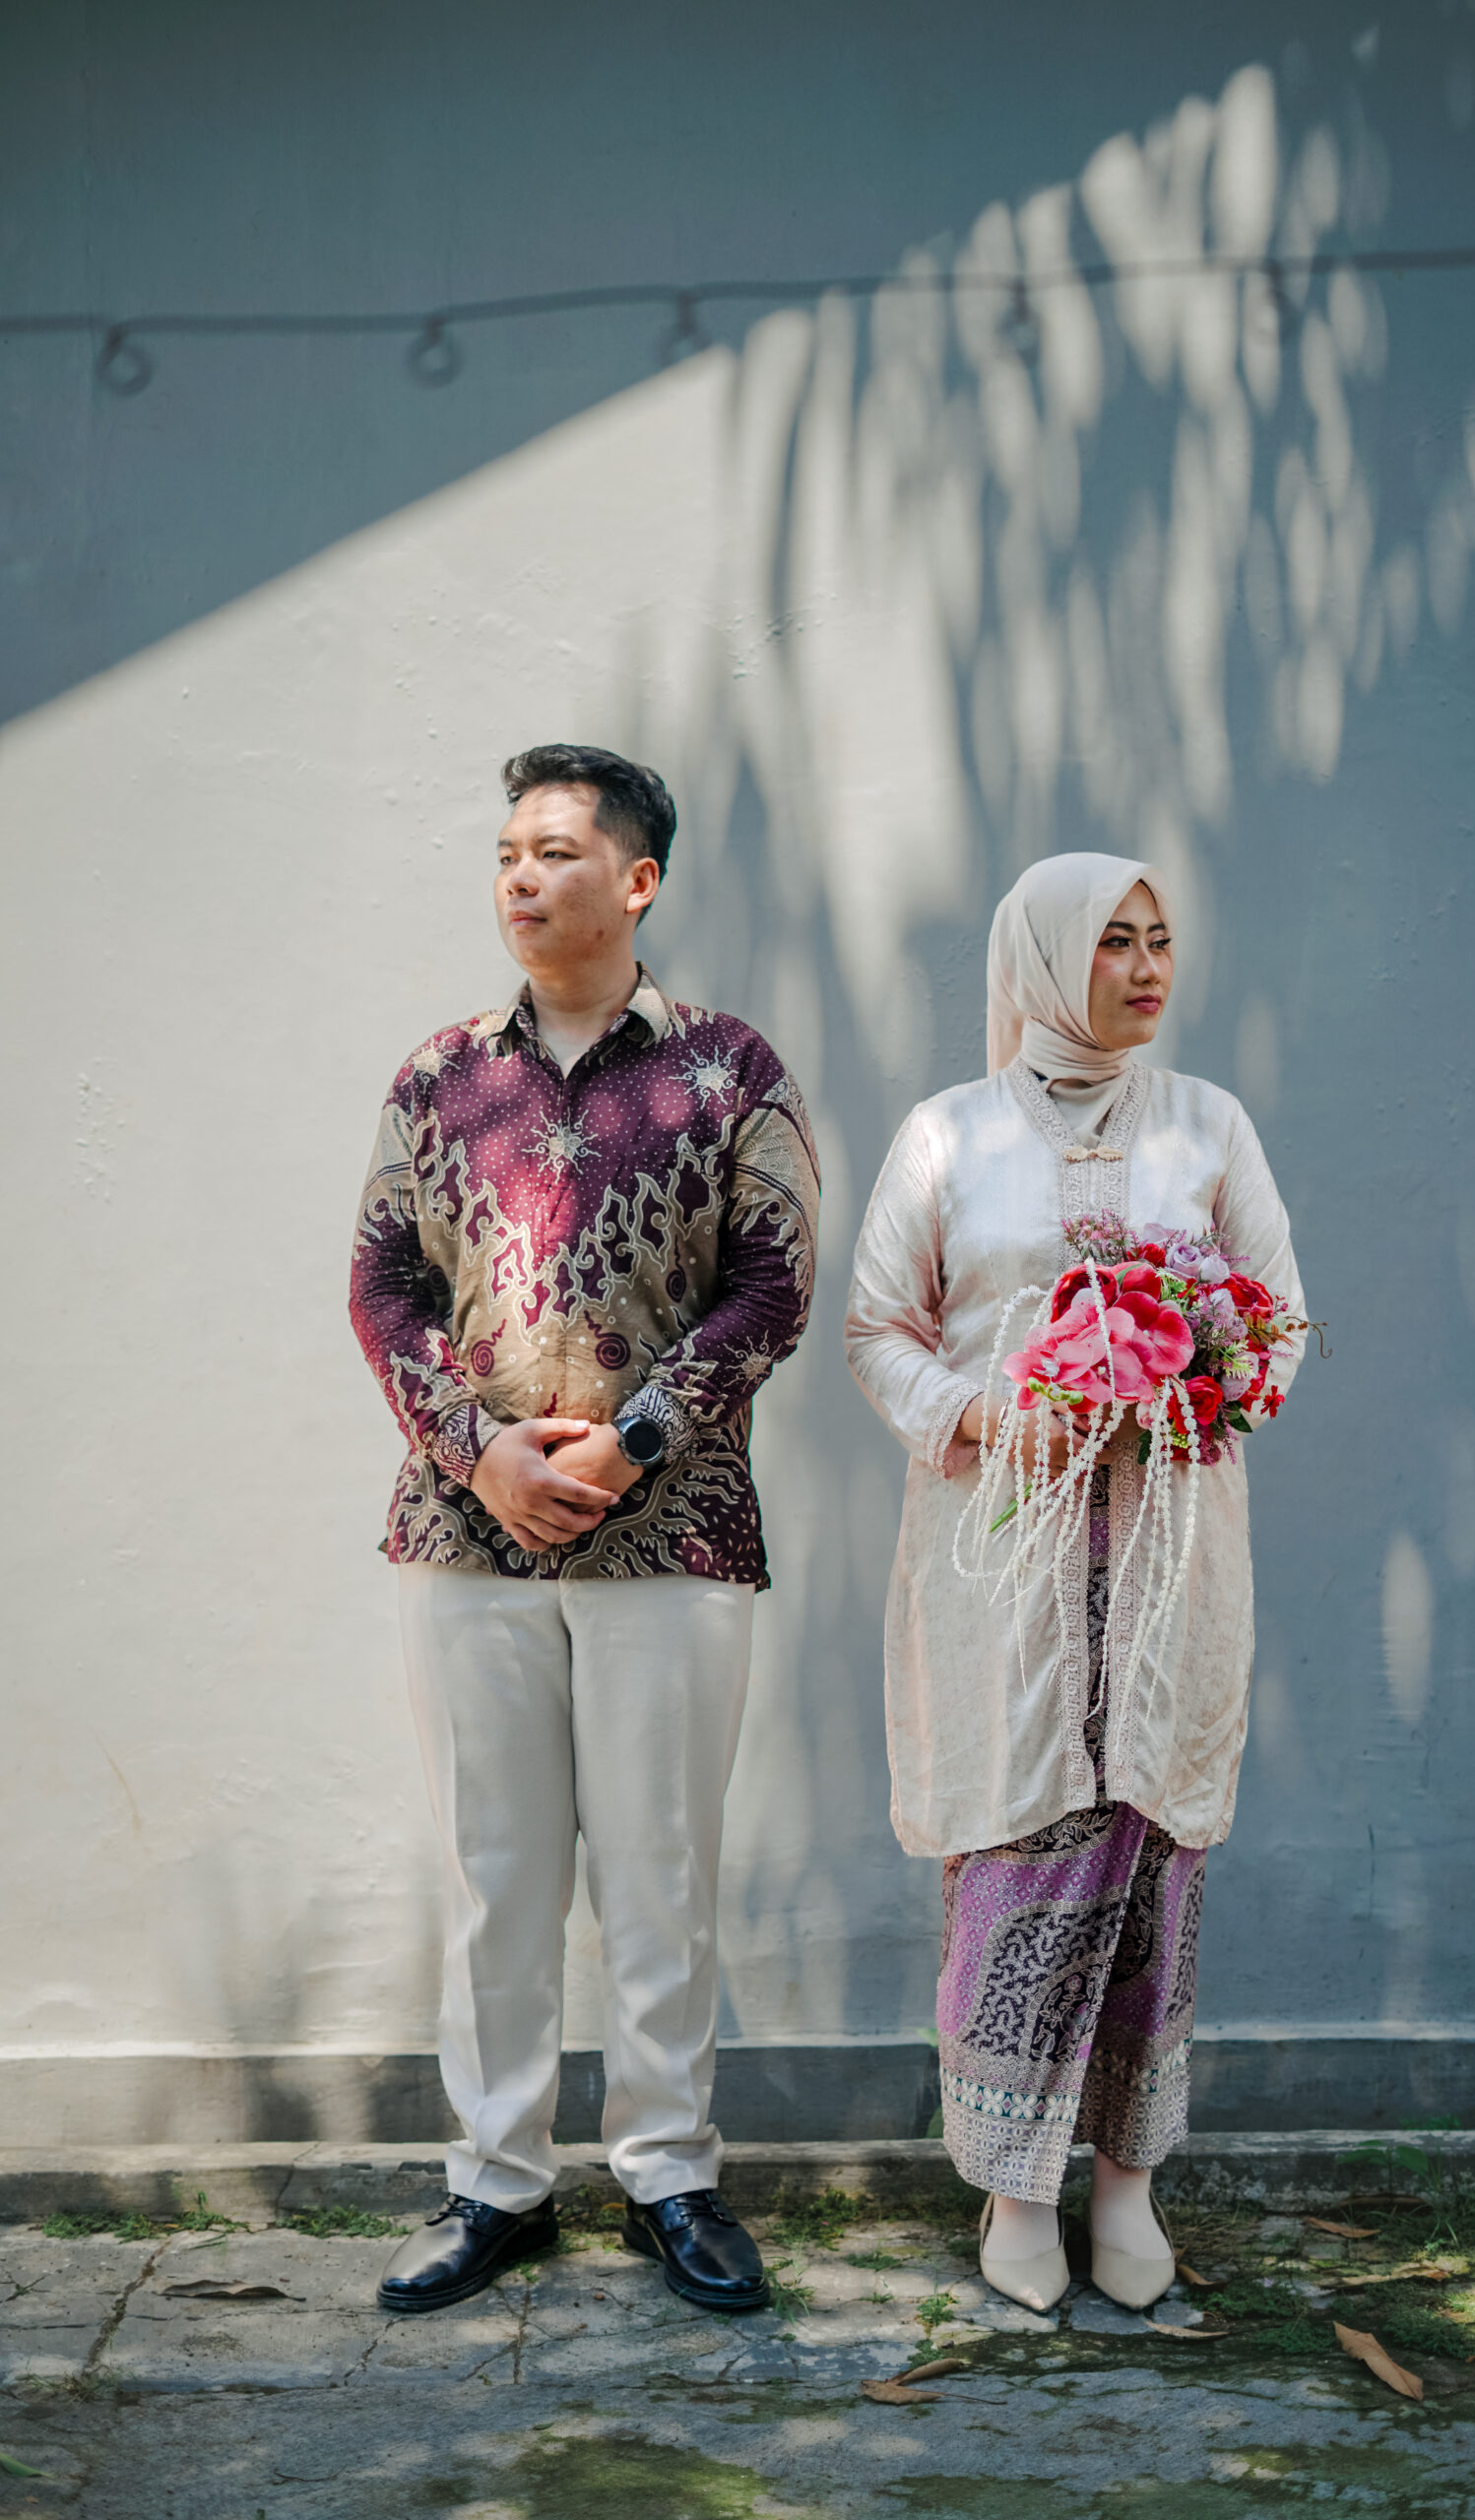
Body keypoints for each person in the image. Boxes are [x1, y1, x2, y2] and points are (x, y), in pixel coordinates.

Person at [350, 743, 819, 2315]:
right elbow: (381, 1285)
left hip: (670, 1538)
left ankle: (669, 2175)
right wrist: (479, 1453)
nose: (520, 876)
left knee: (659, 1870)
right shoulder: (439, 1077)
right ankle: (495, 2186)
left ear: (638, 880)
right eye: (506, 852)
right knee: (494, 1875)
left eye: (554, 850)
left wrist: (633, 1442)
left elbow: (774, 1286)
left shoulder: (729, 1071)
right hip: (464, 1535)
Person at [845, 852, 1303, 2314]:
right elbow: (876, 1328)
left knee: (1153, 1854)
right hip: (1005, 1566)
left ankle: (1126, 2184)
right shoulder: (948, 1134)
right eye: (1115, 940)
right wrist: (987, 1416)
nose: (1149, 966)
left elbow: (1281, 1322)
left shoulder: (1208, 1125)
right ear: (1046, 959)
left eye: (1161, 938)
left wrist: (1202, 1382)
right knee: (1022, 1844)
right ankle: (1012, 2190)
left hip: (1170, 1553)